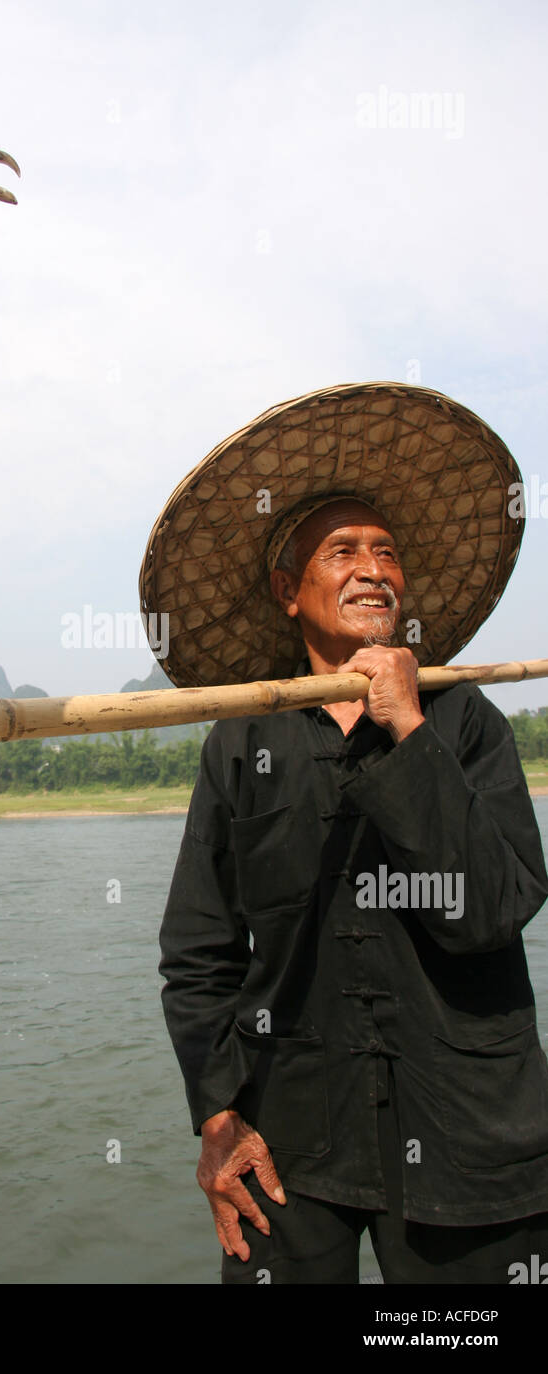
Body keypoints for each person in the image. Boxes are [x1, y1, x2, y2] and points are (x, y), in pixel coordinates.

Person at [141, 382, 548, 1283]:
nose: (374, 568)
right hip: (287, 1142)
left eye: (387, 551)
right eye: (343, 551)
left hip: (465, 1136)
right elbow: (200, 952)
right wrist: (218, 1118)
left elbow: (489, 910)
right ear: (290, 591)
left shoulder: (463, 722)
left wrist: (406, 729)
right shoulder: (240, 740)